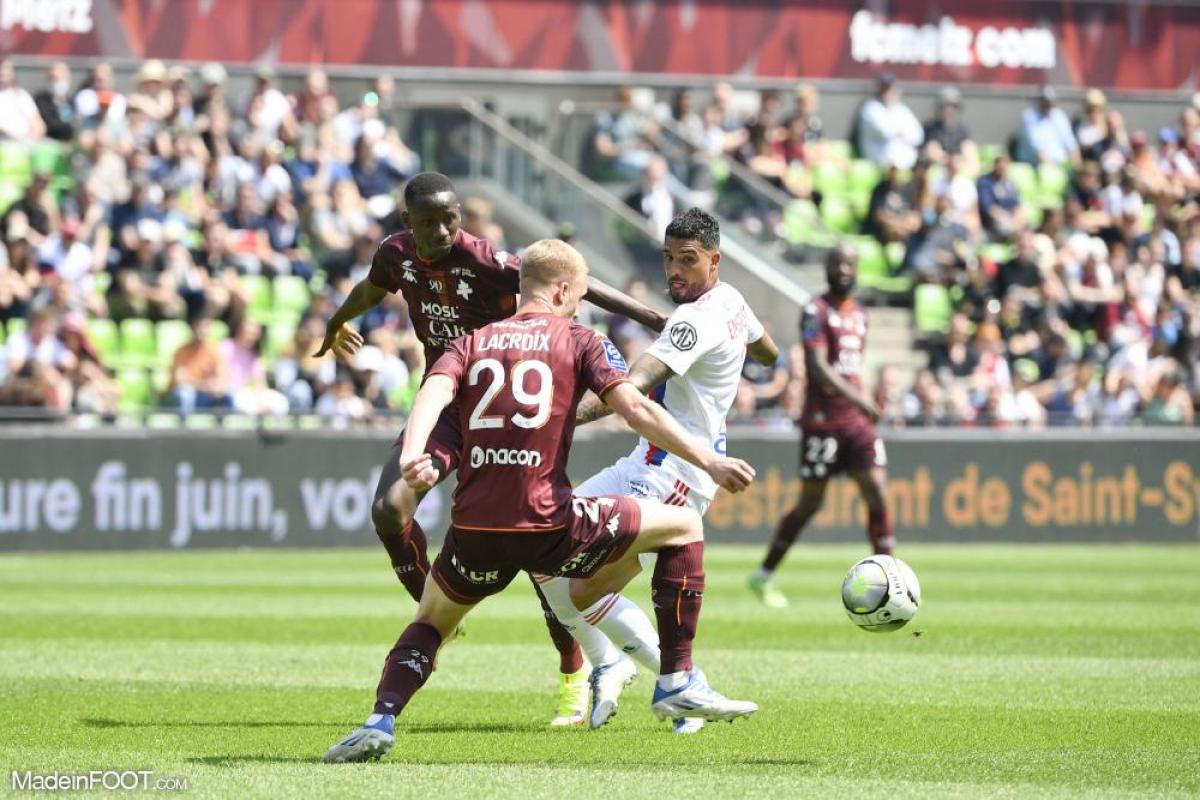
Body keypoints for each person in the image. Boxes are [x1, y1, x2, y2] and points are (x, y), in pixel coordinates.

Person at [322, 239, 758, 763]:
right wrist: (708, 460)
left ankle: (381, 719)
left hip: (476, 530)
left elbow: (432, 394)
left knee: (429, 624)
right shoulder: (581, 339)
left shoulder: (470, 342)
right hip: (552, 525)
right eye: (578, 293)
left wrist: (415, 454)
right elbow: (637, 410)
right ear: (564, 289)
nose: (580, 303)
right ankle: (676, 679)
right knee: (684, 525)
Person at [315, 171, 667, 726]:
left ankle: (573, 672)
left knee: (534, 551)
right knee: (388, 509)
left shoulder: (482, 259)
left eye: (451, 218)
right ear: (408, 223)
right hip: (447, 403)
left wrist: (651, 319)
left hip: (501, 410)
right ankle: (431, 611)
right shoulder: (396, 253)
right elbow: (371, 287)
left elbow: (573, 282)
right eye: (430, 221)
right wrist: (337, 322)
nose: (444, 229)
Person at [534, 208, 778, 733]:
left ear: (715, 260)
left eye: (687, 261)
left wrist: (552, 418)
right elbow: (768, 352)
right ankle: (616, 663)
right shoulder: (729, 300)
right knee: (538, 552)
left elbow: (632, 389)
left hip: (673, 476)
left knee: (583, 592)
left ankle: (679, 683)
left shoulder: (694, 320)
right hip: (643, 462)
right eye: (668, 259)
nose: (675, 272)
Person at [749, 245, 892, 608]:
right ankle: (763, 574)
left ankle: (889, 574)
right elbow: (815, 365)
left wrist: (865, 398)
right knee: (810, 504)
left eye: (849, 263)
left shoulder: (860, 313)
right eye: (836, 263)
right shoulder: (815, 310)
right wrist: (861, 399)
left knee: (878, 491)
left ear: (857, 269)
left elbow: (851, 364)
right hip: (823, 423)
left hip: (856, 424)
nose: (843, 269)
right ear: (827, 269)